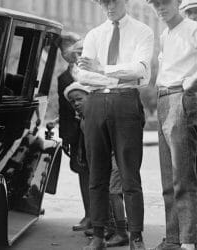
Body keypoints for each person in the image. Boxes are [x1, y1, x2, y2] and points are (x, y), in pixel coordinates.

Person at [76, 0, 154, 249]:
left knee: (130, 174)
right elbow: (83, 75)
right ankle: (98, 234)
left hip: (126, 102)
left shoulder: (143, 31)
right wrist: (116, 73)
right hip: (96, 102)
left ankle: (136, 237)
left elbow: (141, 70)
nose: (109, 6)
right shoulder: (94, 34)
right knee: (96, 173)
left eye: (114, 0)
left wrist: (103, 69)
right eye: (103, 2)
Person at [147, 0, 197, 249]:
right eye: (155, 4)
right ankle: (174, 238)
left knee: (183, 176)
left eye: (165, 2)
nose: (160, 8)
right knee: (168, 177)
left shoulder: (192, 28)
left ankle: (189, 240)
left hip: (181, 96)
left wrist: (191, 81)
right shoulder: (165, 34)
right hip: (164, 98)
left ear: (177, 3)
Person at [64, 82, 130, 247]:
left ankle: (122, 233)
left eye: (79, 99)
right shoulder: (84, 121)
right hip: (105, 159)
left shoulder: (101, 114)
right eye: (72, 102)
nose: (76, 103)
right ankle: (110, 227)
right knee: (104, 192)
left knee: (114, 193)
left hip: (117, 157)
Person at [56, 32, 91, 233]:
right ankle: (89, 215)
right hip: (76, 135)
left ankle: (110, 218)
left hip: (95, 129)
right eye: (63, 48)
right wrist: (65, 137)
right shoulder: (63, 78)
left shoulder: (93, 72)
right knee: (83, 172)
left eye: (71, 46)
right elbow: (63, 110)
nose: (67, 52)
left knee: (103, 172)